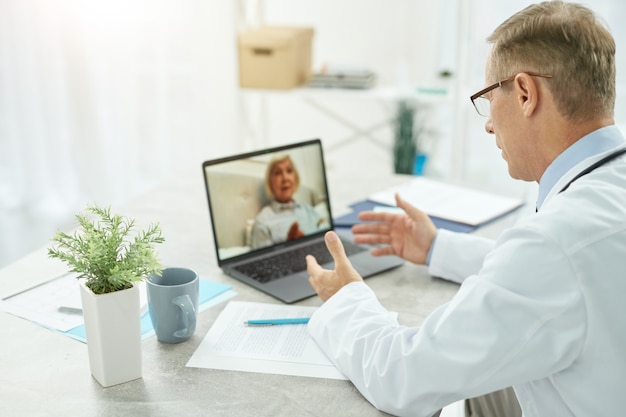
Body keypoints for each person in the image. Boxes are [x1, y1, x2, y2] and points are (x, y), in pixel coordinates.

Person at [305, 2, 626, 416]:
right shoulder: (596, 204)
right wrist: (438, 248)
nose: (488, 123)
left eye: (489, 96)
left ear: (526, 93)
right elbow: (570, 277)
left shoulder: (555, 245)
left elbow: (403, 378)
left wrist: (345, 300)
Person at [250, 155, 327, 249]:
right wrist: (289, 245)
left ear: (295, 178)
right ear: (270, 182)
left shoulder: (307, 209)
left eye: (289, 171)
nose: (285, 178)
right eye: (278, 173)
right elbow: (262, 261)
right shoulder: (263, 221)